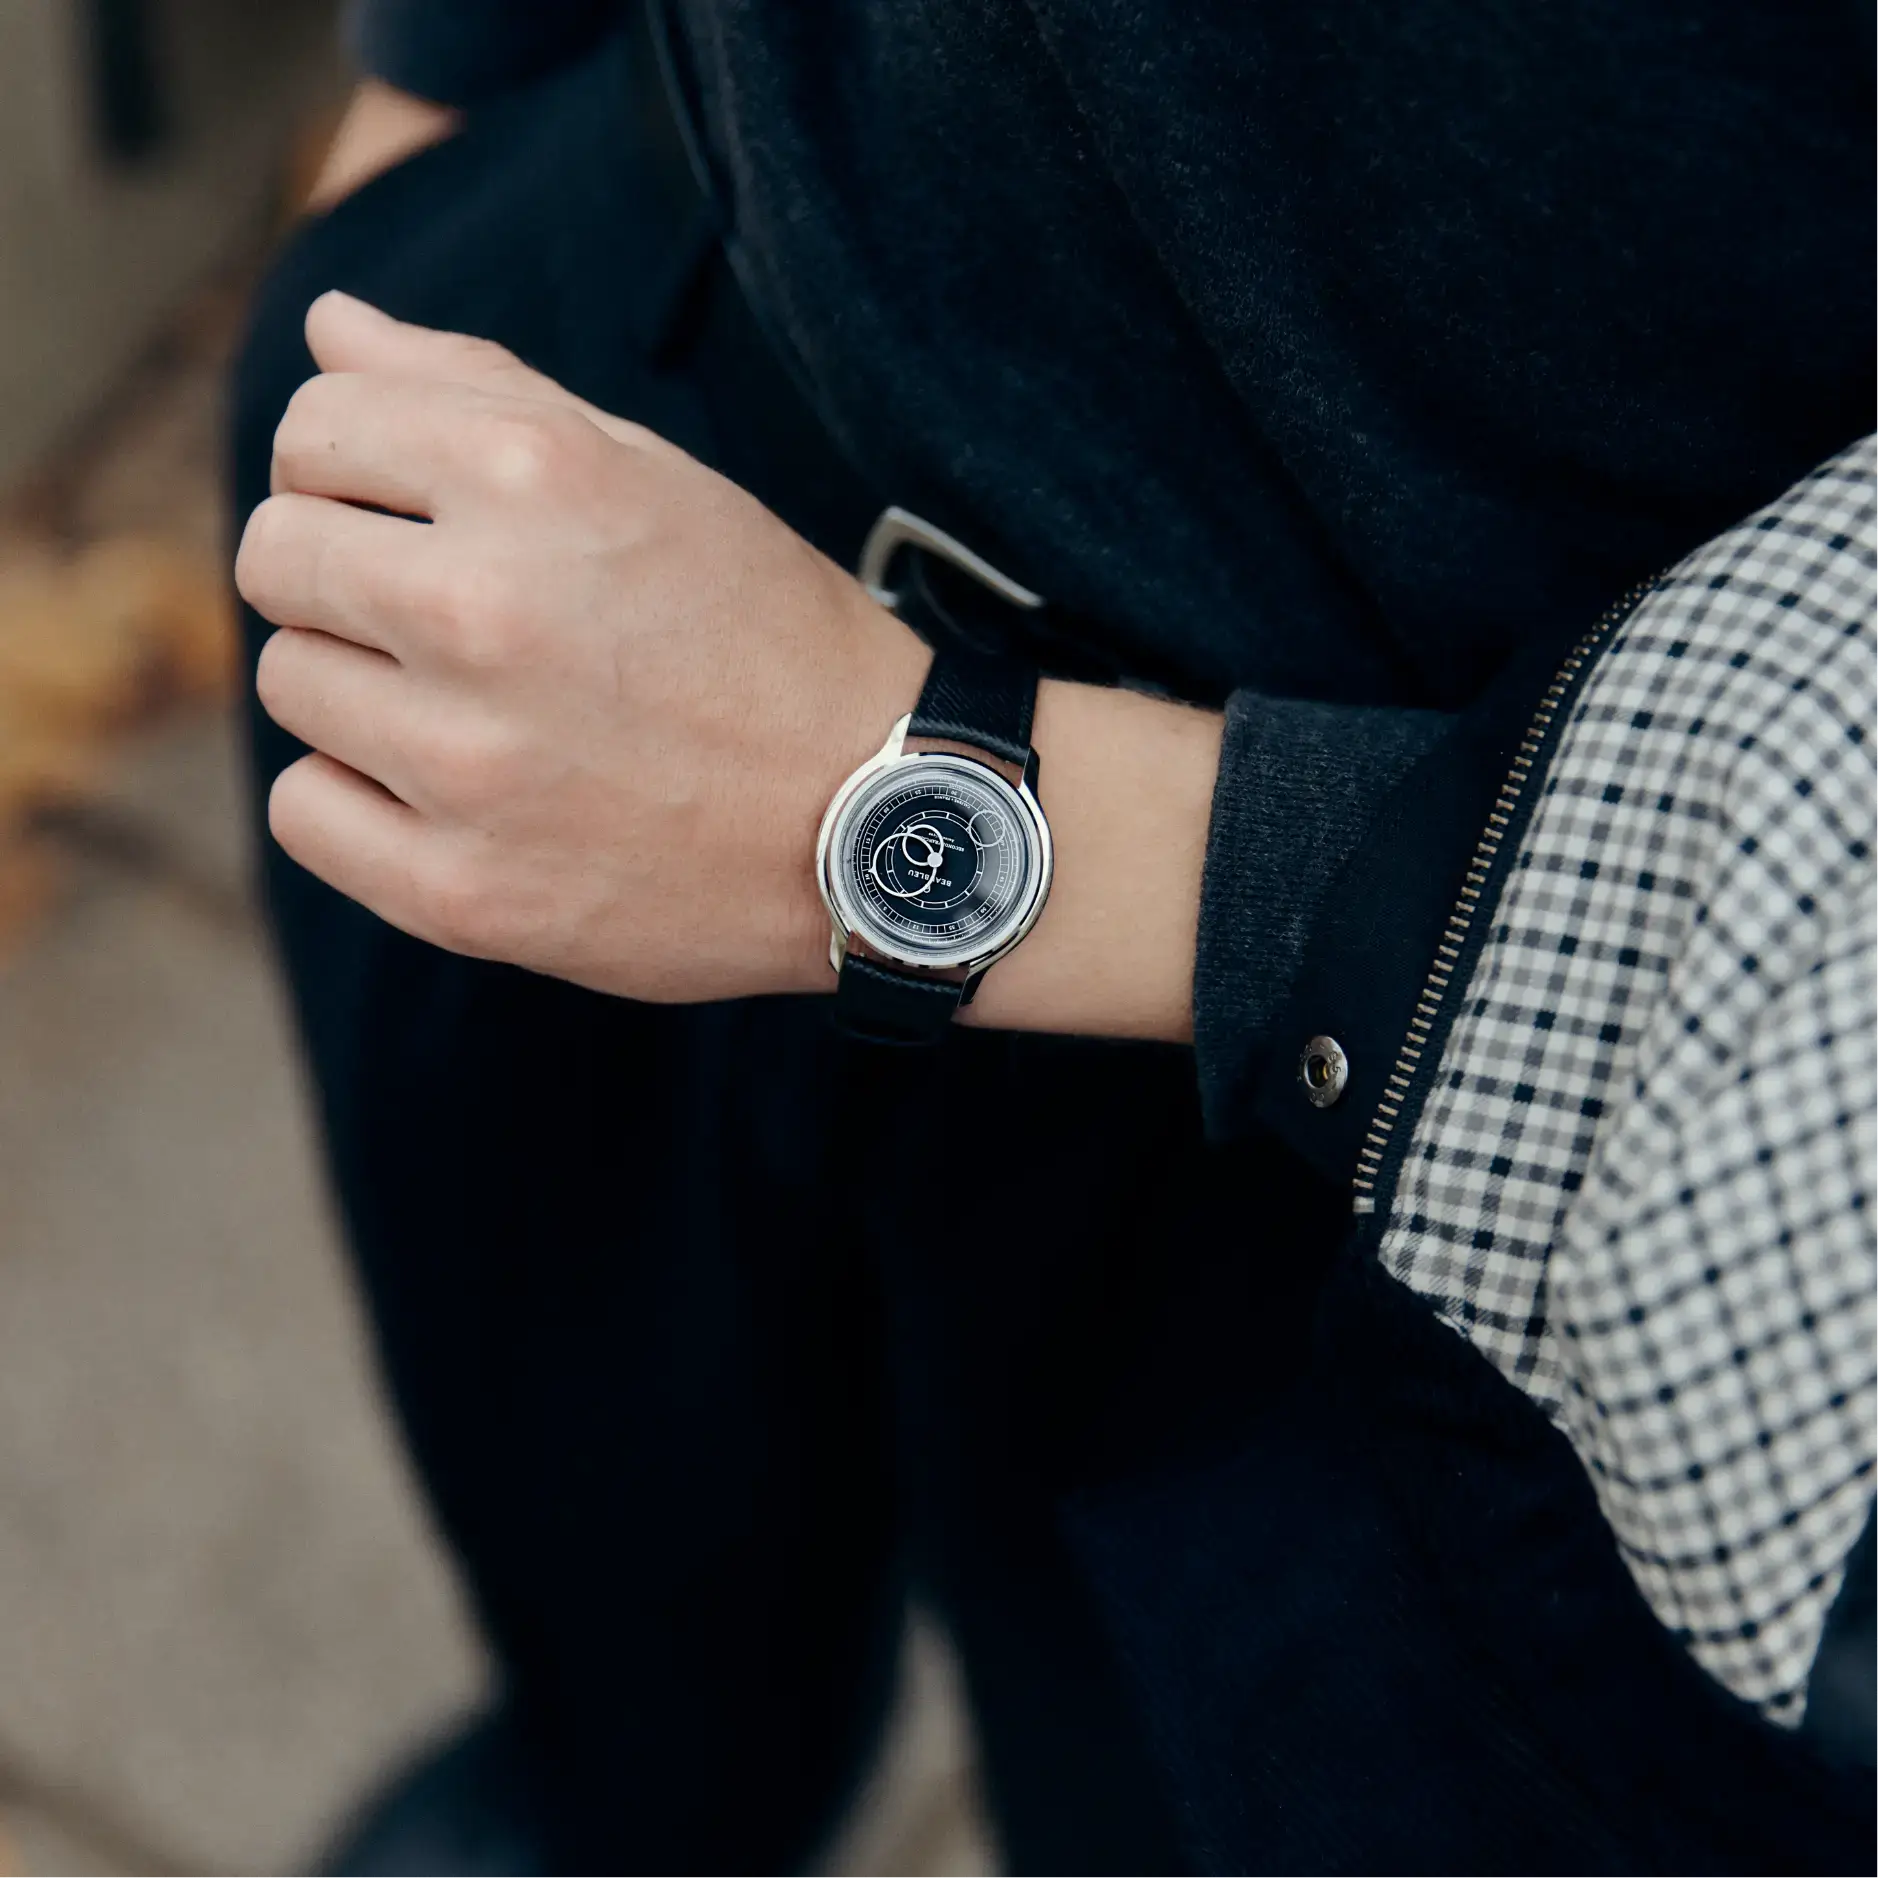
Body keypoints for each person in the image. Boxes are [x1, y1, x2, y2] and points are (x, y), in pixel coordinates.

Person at [228, 3, 1878, 1872]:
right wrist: (444, 77)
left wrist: (964, 810)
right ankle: (614, 1792)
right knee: (580, 1444)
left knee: (1155, 1761)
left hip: (1382, 1045)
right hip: (594, 342)